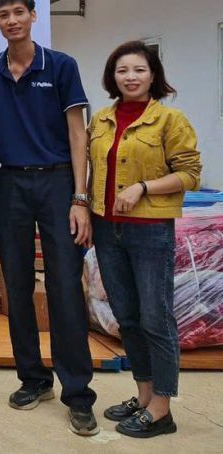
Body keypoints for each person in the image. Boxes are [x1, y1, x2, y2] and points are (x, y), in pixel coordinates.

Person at [0, 0, 98, 435]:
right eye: (3, 15)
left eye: (18, 12)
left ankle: (78, 394)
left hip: (58, 181)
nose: (11, 20)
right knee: (18, 284)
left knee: (64, 286)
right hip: (10, 184)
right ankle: (33, 378)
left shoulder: (61, 66)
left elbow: (78, 133)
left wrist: (80, 198)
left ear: (32, 15)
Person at [89, 41, 201, 439]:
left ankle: (163, 408)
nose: (130, 77)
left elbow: (190, 174)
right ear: (112, 77)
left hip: (149, 229)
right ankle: (143, 395)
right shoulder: (101, 119)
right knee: (129, 318)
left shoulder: (170, 120)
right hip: (107, 228)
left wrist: (143, 186)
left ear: (153, 75)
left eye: (139, 69)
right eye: (122, 70)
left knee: (156, 317)